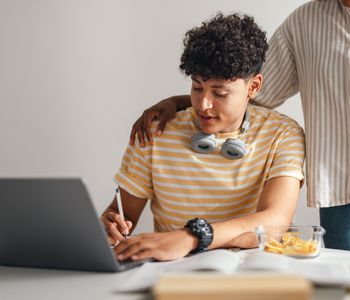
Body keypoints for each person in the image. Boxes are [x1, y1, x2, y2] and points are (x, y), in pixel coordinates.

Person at [130, 0, 350, 257]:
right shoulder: (306, 22)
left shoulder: (286, 136)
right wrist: (180, 103)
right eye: (197, 88)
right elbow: (247, 88)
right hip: (347, 192)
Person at [101, 13, 305, 262]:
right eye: (197, 87)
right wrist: (108, 225)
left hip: (255, 270)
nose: (204, 104)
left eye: (220, 93)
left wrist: (190, 238)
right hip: (174, 271)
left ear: (253, 87)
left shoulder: (283, 134)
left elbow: (275, 222)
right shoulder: (156, 131)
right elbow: (120, 215)